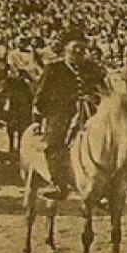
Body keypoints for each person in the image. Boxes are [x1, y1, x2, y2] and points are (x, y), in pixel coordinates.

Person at [32, 32, 105, 200]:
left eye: (82, 48)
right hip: (62, 112)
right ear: (65, 49)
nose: (79, 51)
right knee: (55, 141)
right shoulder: (54, 68)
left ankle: (124, 178)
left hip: (90, 111)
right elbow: (41, 94)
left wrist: (93, 97)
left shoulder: (91, 68)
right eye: (75, 48)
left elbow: (102, 87)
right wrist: (40, 115)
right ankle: (59, 184)